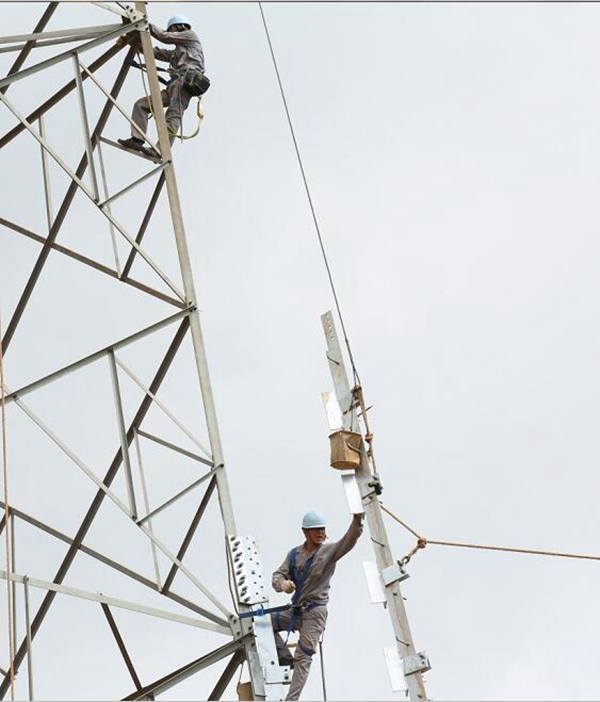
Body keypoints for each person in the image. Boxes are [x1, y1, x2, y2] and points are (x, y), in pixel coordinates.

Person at [272, 510, 363, 701]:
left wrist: (357, 518)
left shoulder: (328, 552)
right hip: (295, 611)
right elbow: (277, 576)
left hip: (314, 613)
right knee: (261, 623)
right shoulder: (294, 555)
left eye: (322, 529)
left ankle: (292, 699)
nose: (320, 532)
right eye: (315, 529)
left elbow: (350, 538)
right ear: (305, 532)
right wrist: (283, 585)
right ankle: (284, 658)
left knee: (303, 657)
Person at [118, 14, 205, 155]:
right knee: (142, 104)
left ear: (180, 27)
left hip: (184, 84)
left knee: (172, 115)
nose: (172, 33)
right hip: (173, 86)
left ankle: (160, 151)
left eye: (172, 30)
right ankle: (137, 139)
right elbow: (153, 53)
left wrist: (142, 23)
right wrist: (132, 39)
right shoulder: (177, 52)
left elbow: (164, 37)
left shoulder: (191, 36)